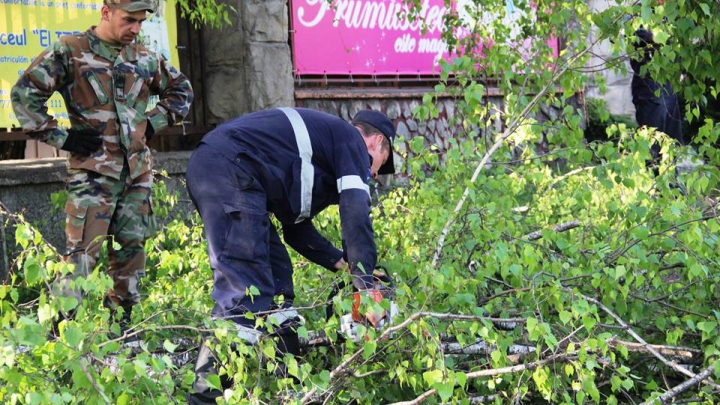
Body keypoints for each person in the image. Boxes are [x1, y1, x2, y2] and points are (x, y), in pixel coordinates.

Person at [185, 107, 396, 404]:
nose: (371, 175)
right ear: (374, 142)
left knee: (277, 278)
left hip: (230, 172)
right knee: (244, 293)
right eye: (376, 166)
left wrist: (345, 265)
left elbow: (297, 231)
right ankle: (203, 399)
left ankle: (293, 389)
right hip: (229, 170)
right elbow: (356, 216)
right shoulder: (351, 140)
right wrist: (366, 284)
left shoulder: (319, 153)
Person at [11, 0, 194, 333]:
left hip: (136, 176)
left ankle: (121, 337)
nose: (135, 29)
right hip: (93, 177)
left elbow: (181, 90)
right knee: (80, 261)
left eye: (140, 23)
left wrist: (152, 124)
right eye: (129, 20)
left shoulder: (143, 57)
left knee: (130, 262)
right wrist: (61, 138)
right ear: (106, 12)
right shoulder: (70, 50)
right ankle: (60, 343)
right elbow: (25, 94)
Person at [630, 26, 684, 158]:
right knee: (652, 144)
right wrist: (660, 35)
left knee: (673, 143)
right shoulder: (641, 11)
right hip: (649, 86)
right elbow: (633, 34)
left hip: (669, 86)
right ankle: (652, 176)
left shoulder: (672, 12)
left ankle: (671, 176)